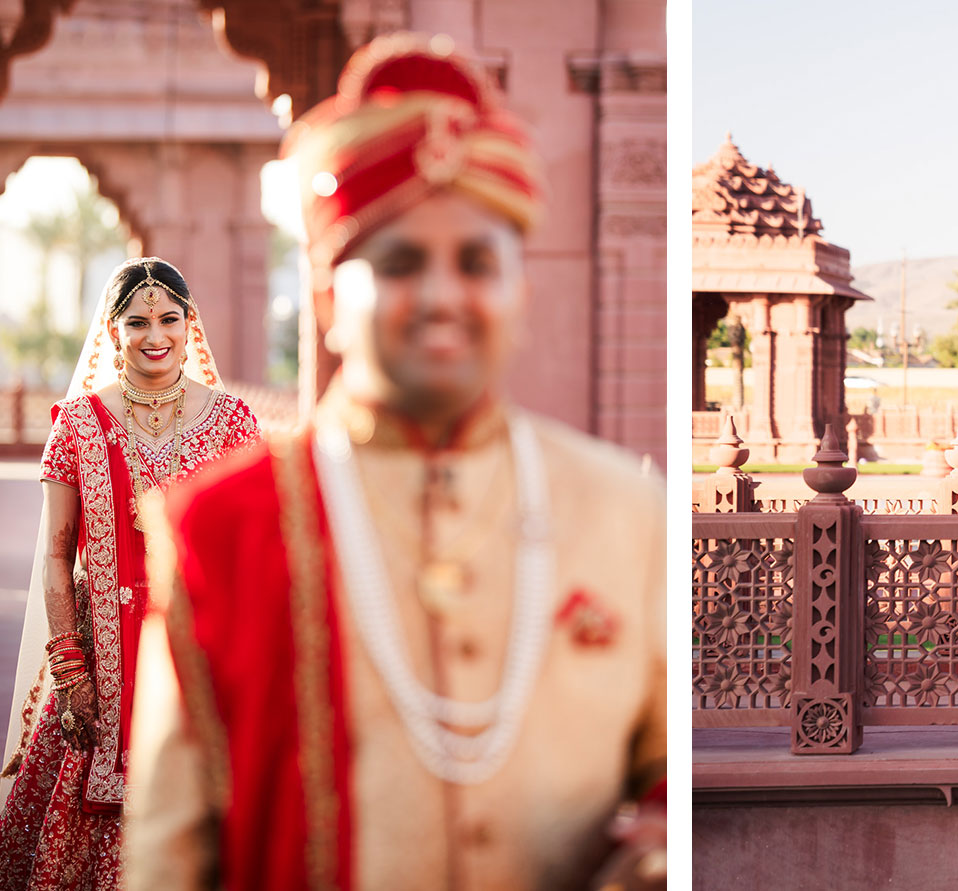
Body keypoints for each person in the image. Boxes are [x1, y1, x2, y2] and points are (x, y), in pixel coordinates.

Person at [120, 33, 666, 890]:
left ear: (520, 296)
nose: (444, 295)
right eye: (402, 262)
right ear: (332, 296)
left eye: (478, 263)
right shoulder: (223, 525)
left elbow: (674, 787)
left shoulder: (624, 513)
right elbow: (165, 856)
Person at [0, 258, 261, 889]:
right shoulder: (80, 422)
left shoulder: (232, 422)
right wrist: (69, 670)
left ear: (188, 325)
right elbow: (59, 556)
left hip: (198, 657)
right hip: (100, 666)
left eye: (169, 319)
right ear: (113, 331)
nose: (155, 335)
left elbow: (245, 560)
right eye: (138, 321)